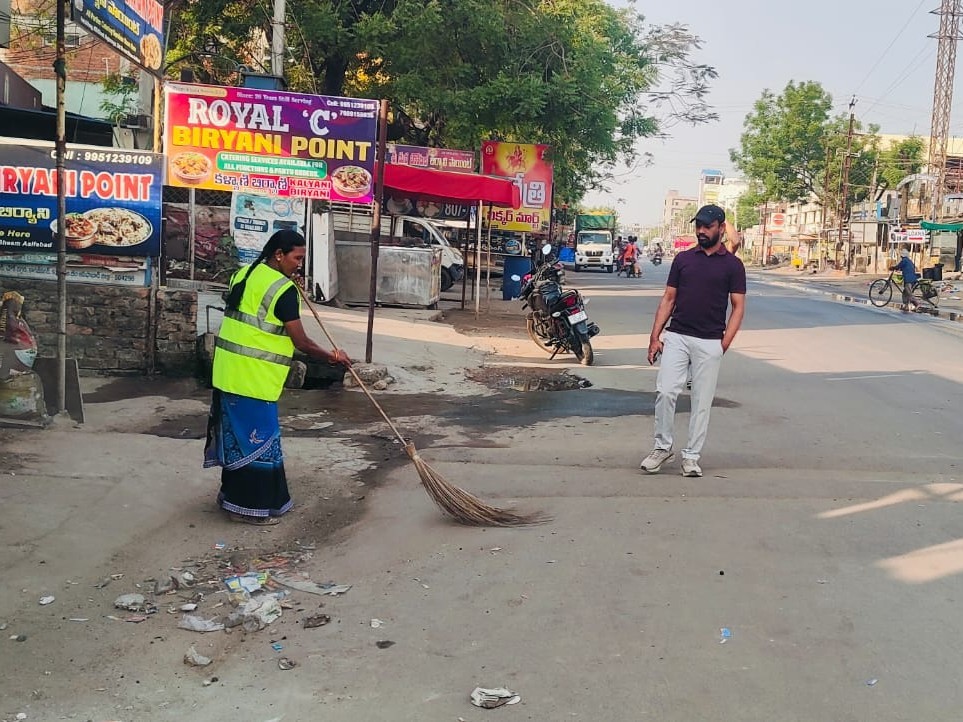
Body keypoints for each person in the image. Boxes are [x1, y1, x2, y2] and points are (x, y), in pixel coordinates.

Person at [204, 230, 351, 525]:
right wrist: (333, 357)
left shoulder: (243, 273)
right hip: (253, 377)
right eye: (296, 258)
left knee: (238, 439)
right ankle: (247, 509)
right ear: (279, 255)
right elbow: (302, 342)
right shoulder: (281, 289)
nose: (299, 264)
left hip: (227, 371)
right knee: (258, 443)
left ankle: (234, 499)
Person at [640, 205, 746, 477]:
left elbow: (737, 308)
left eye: (708, 226)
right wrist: (655, 336)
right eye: (698, 225)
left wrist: (723, 344)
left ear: (721, 228)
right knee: (666, 391)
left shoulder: (733, 266)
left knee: (701, 401)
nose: (701, 230)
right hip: (677, 336)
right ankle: (662, 448)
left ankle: (691, 457)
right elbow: (668, 299)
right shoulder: (683, 260)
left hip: (710, 341)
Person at [893, 248, 919, 312]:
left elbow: (899, 266)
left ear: (902, 255)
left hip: (909, 278)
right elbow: (902, 267)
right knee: (905, 293)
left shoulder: (904, 260)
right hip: (911, 278)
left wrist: (893, 268)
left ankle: (916, 304)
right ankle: (906, 306)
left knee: (909, 292)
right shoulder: (908, 261)